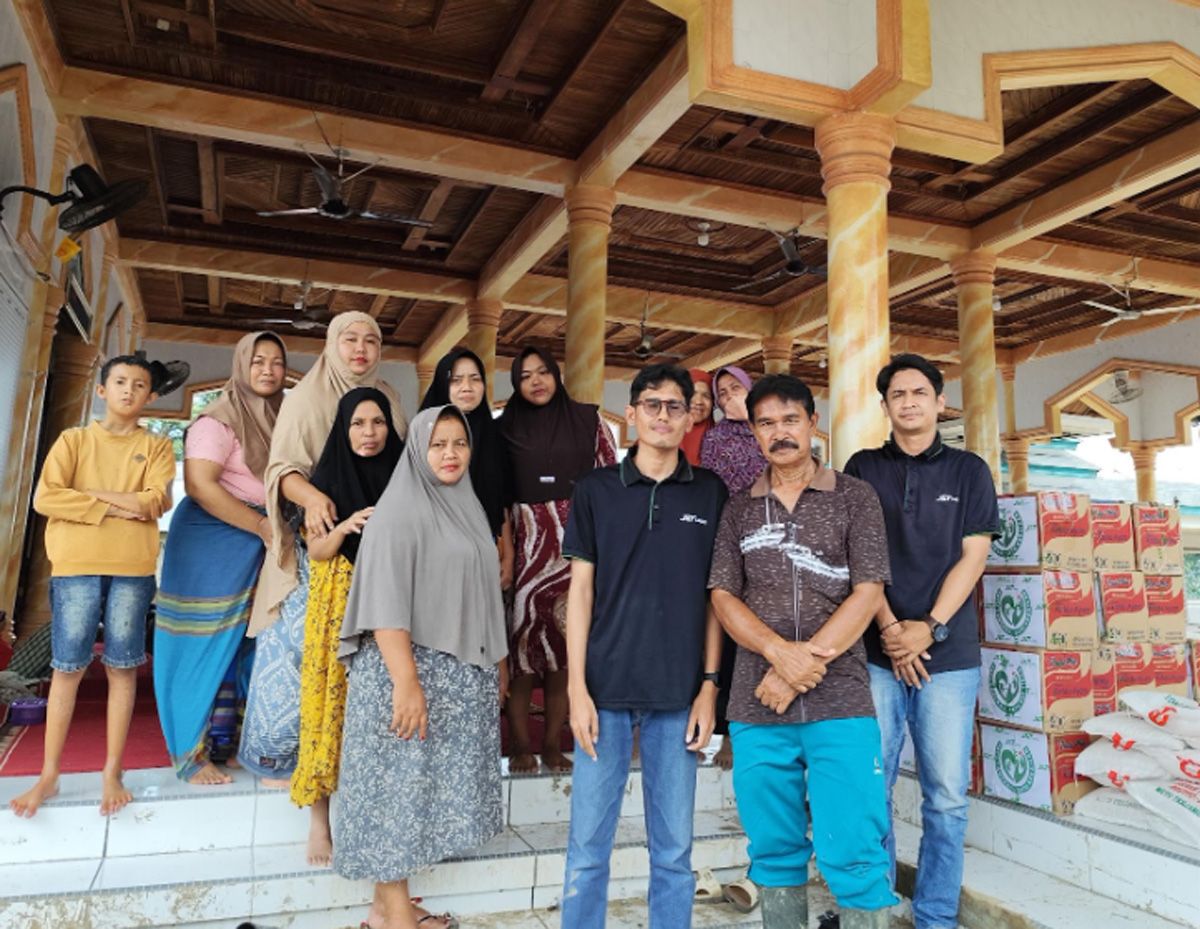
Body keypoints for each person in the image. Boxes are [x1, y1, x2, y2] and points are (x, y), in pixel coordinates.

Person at [708, 374, 897, 929]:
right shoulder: (739, 509)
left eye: (791, 419)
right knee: (773, 850)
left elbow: (868, 591)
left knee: (856, 847)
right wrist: (775, 651)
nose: (780, 433)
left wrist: (800, 665)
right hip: (757, 703)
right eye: (766, 423)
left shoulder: (854, 498)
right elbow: (722, 595)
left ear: (813, 423)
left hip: (841, 700)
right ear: (753, 432)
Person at [560, 364, 726, 928]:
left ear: (690, 417)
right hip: (602, 691)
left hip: (678, 695)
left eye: (675, 405)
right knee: (587, 849)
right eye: (651, 404)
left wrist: (709, 688)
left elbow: (715, 599)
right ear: (630, 414)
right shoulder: (596, 490)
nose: (662, 415)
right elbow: (580, 593)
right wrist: (576, 689)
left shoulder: (710, 492)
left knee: (674, 852)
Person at [334, 405, 508, 929]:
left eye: (459, 443)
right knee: (394, 795)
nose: (450, 454)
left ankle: (383, 910)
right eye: (438, 444)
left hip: (448, 673)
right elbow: (385, 604)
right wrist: (406, 682)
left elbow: (483, 591)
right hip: (404, 671)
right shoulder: (398, 513)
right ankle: (397, 920)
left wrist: (494, 659)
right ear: (417, 450)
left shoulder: (467, 506)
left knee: (413, 795)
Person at [844, 354, 999, 929]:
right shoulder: (862, 468)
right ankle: (878, 910)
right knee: (871, 789)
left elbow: (973, 557)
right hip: (876, 654)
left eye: (918, 393)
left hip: (949, 656)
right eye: (897, 395)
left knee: (947, 797)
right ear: (885, 406)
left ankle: (935, 917)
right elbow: (858, 557)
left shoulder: (969, 471)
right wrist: (890, 629)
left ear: (940, 402)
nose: (908, 403)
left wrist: (927, 627)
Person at [239, 312, 406, 787]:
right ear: (332, 345)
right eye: (350, 339)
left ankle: (343, 758)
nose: (361, 349)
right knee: (298, 651)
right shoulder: (306, 398)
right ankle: (276, 759)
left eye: (371, 340)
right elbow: (281, 469)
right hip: (320, 542)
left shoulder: (388, 396)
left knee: (364, 655)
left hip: (376, 547)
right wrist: (313, 498)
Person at [10, 355, 175, 817]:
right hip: (76, 565)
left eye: (139, 385)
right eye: (119, 382)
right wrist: (115, 507)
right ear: (102, 390)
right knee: (67, 668)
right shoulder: (74, 440)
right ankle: (49, 775)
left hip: (131, 568)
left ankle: (112, 771)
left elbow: (154, 502)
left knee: (123, 668)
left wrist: (87, 497)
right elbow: (46, 497)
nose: (128, 390)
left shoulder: (157, 445)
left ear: (150, 396)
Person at [155, 331, 288, 785]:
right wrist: (259, 525)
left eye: (276, 362)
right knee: (201, 644)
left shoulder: (281, 420)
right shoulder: (218, 420)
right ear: (241, 365)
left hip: (259, 543)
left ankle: (229, 744)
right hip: (211, 541)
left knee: (248, 644)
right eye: (257, 361)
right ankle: (191, 755)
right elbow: (199, 485)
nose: (268, 370)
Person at [291, 387, 403, 865]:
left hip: (391, 604)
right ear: (343, 428)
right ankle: (320, 823)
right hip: (336, 604)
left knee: (380, 711)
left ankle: (380, 813)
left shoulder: (405, 476)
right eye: (358, 423)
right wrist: (344, 526)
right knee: (328, 704)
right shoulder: (327, 480)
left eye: (378, 422)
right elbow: (316, 552)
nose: (369, 432)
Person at [498, 347, 617, 773]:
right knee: (523, 650)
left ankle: (551, 744)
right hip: (525, 546)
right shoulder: (502, 428)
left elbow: (610, 478)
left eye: (543, 372)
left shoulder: (588, 421)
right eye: (525, 375)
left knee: (565, 649)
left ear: (556, 375)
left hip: (576, 545)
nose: (536, 381)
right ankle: (520, 746)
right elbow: (495, 490)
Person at [700, 364, 767, 772]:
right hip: (729, 541)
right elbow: (715, 491)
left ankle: (762, 726)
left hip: (774, 543)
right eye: (721, 393)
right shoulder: (715, 439)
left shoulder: (768, 428)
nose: (727, 398)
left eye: (734, 389)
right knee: (729, 638)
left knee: (767, 632)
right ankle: (727, 732)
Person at [419, 347, 512, 585]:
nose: (467, 387)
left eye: (475, 379)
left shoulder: (493, 436)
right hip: (434, 553)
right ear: (443, 384)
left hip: (483, 550)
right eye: (456, 380)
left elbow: (500, 498)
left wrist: (508, 555)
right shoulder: (422, 435)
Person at [679, 368, 714, 467]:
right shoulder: (658, 439)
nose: (698, 401)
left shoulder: (723, 443)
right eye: (692, 394)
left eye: (706, 396)